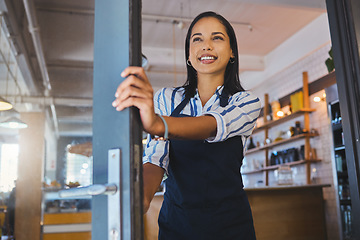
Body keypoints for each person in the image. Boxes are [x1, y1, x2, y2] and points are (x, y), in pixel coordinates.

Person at [112, 11, 261, 240]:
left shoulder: (245, 102)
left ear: (232, 52)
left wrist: (157, 123)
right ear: (189, 56)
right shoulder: (166, 99)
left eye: (217, 38)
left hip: (231, 226)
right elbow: (155, 159)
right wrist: (141, 195)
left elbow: (211, 125)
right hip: (177, 225)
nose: (206, 46)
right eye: (197, 39)